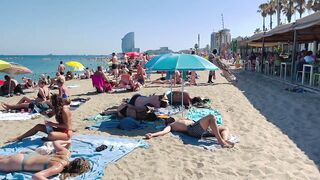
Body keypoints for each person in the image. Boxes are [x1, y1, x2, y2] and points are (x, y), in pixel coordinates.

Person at [0, 140, 90, 180]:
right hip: (18, 163)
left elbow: (56, 142)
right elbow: (36, 176)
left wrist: (68, 142)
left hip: (25, 155)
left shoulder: (66, 153)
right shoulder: (58, 167)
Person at [6, 94, 72, 143]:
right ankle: (19, 138)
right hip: (59, 130)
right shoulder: (56, 108)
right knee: (38, 126)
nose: (50, 103)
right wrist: (42, 113)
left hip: (66, 133)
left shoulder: (64, 110)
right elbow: (48, 116)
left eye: (51, 102)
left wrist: (52, 124)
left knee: (51, 135)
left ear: (55, 103)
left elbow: (67, 126)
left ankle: (51, 138)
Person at [145, 115, 234, 148]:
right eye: (168, 119)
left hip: (200, 129)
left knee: (224, 128)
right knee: (211, 117)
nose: (170, 118)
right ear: (167, 122)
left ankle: (224, 140)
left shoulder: (179, 120)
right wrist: (152, 134)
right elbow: (164, 132)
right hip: (192, 129)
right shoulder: (171, 126)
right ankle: (220, 141)